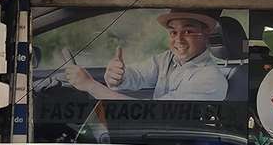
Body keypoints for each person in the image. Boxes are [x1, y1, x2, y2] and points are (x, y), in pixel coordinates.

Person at [64, 10, 229, 101]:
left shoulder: (210, 79)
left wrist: (91, 86)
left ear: (206, 34)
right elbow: (138, 74)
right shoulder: (167, 59)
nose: (178, 39)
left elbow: (155, 113)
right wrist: (118, 76)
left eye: (188, 31)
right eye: (173, 32)